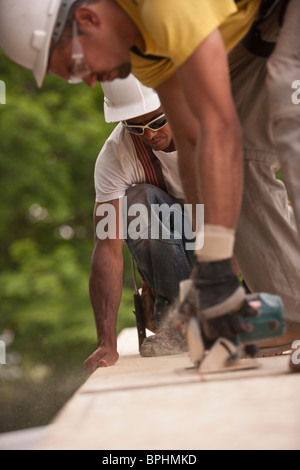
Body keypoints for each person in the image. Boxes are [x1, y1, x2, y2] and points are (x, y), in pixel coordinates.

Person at [1, 0, 299, 355]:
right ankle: (290, 314)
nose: (90, 82)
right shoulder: (146, 55)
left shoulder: (164, 10)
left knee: (288, 120)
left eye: (78, 66)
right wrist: (212, 269)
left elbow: (216, 127)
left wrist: (219, 270)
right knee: (239, 159)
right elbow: (193, 142)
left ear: (88, 18)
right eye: (75, 77)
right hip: (257, 28)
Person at [85, 75, 194, 372]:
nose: (148, 134)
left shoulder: (209, 125)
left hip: (222, 246)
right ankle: (176, 321)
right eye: (135, 126)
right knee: (137, 202)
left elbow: (243, 214)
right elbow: (107, 250)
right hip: (172, 259)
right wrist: (106, 342)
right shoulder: (115, 157)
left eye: (157, 121)